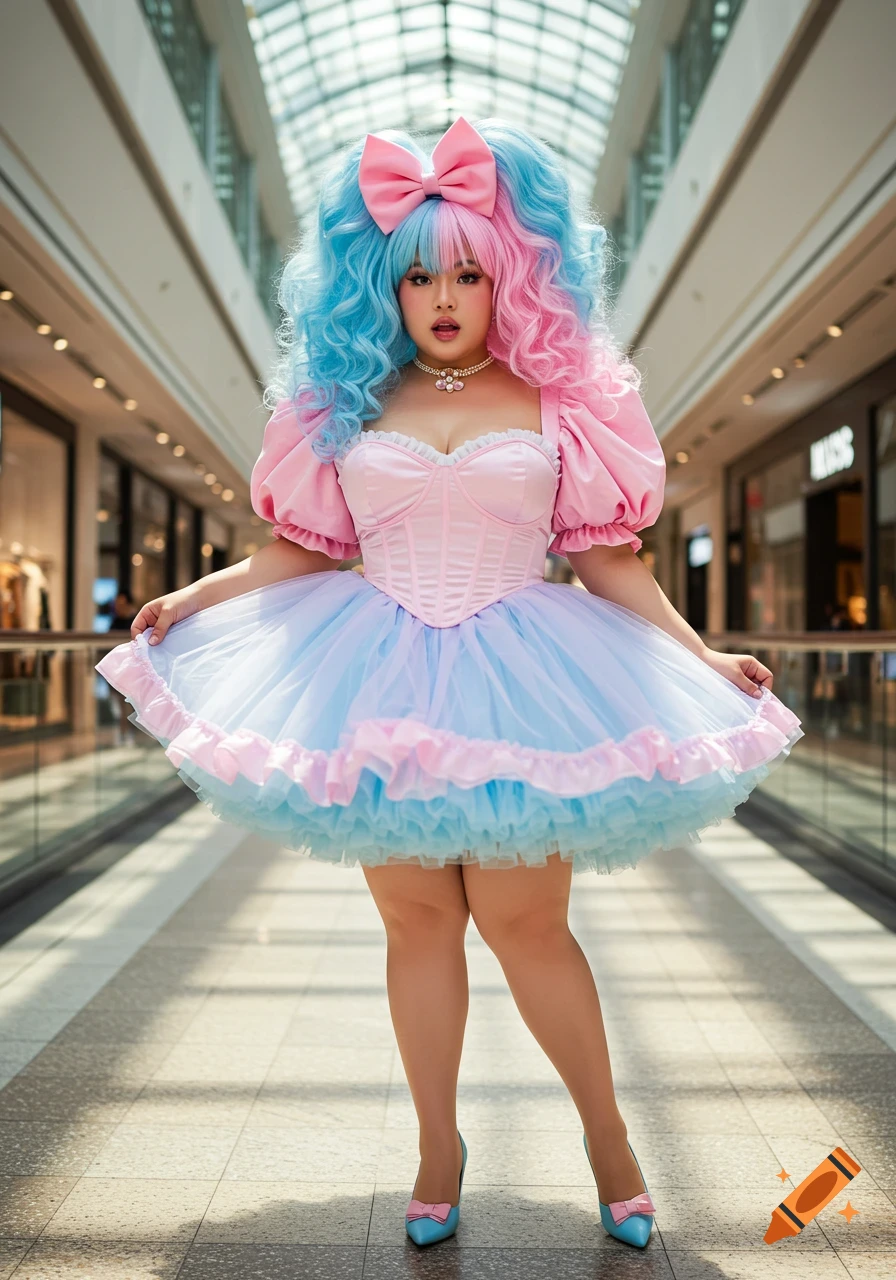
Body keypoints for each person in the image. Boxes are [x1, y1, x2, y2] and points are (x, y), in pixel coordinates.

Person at [96, 118, 803, 1251]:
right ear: (383, 281)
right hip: (375, 678)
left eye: (465, 272)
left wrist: (700, 656)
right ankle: (437, 1149)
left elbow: (606, 555)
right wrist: (195, 595)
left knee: (529, 925)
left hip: (525, 676)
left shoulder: (561, 399)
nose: (440, 294)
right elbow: (306, 549)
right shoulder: (342, 402)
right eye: (417, 271)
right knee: (417, 923)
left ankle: (610, 1141)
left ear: (506, 277)